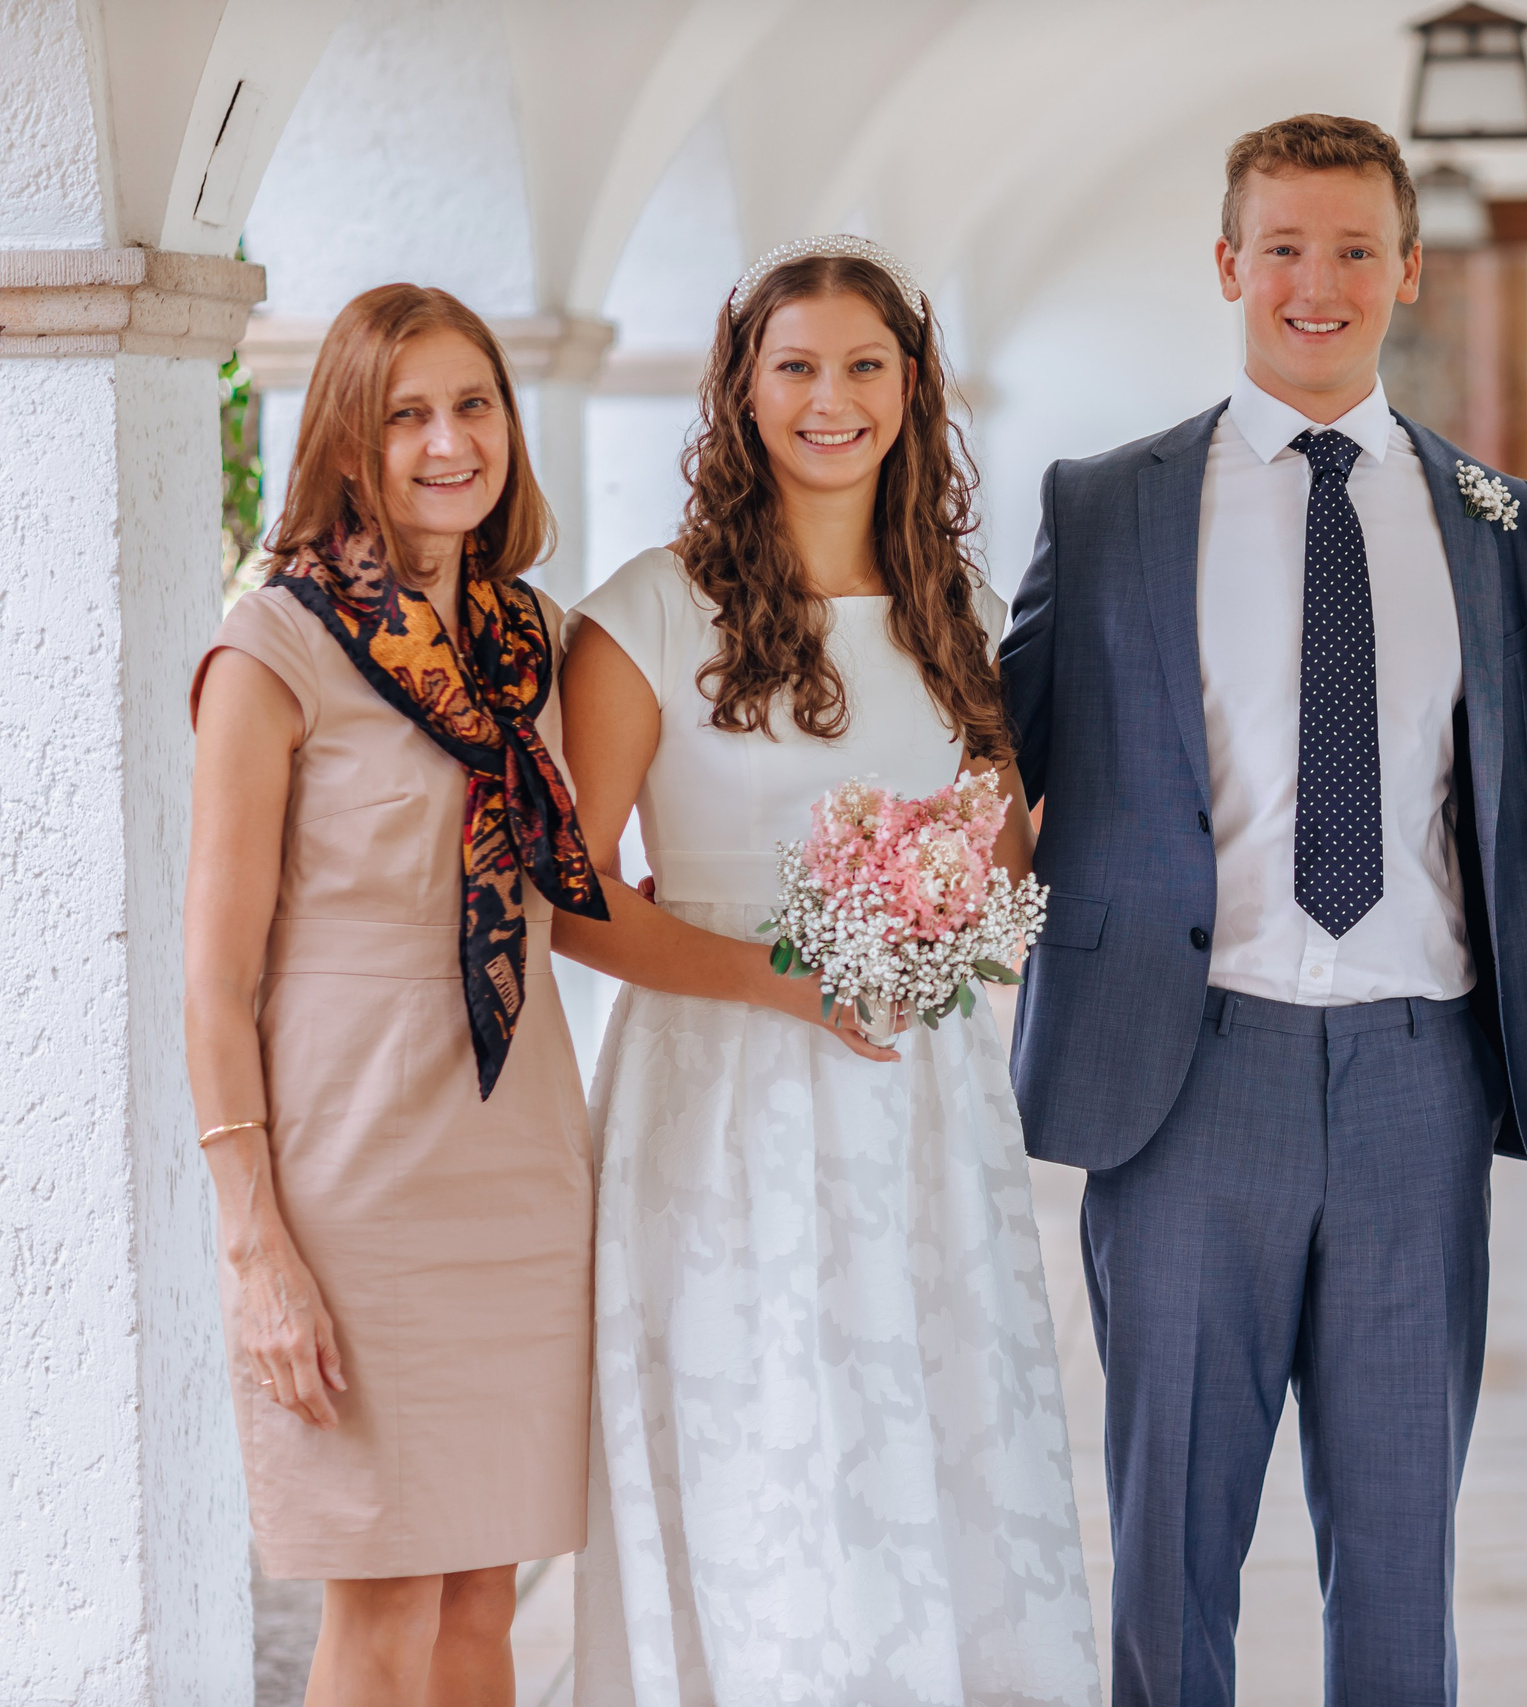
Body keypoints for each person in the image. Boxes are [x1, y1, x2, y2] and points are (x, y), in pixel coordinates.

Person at [998, 113, 1527, 1706]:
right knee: (1171, 1540)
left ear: (1407, 269)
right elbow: (1001, 752)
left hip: (1419, 1083)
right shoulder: (1106, 504)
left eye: (1354, 249)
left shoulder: (1494, 516)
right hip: (1186, 1075)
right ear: (1228, 262)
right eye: (1284, 248)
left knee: (1400, 1547)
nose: (1317, 284)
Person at [555, 236, 1098, 1707]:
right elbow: (568, 899)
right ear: (741, 389)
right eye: (794, 366)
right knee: (761, 1442)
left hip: (918, 1097)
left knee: (925, 1428)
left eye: (864, 366)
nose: (829, 399)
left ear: (911, 387)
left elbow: (1000, 873)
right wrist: (781, 980)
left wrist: (953, 900)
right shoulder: (650, 610)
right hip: (720, 1096)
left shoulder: (953, 612)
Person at [184, 283, 606, 1704]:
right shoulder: (273, 647)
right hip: (354, 1177)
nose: (447, 442)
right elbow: (216, 977)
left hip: (521, 1159)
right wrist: (255, 1245)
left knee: (485, 1596)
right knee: (384, 1600)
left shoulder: (534, 641)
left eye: (473, 405)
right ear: (346, 443)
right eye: (405, 415)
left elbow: (587, 894)